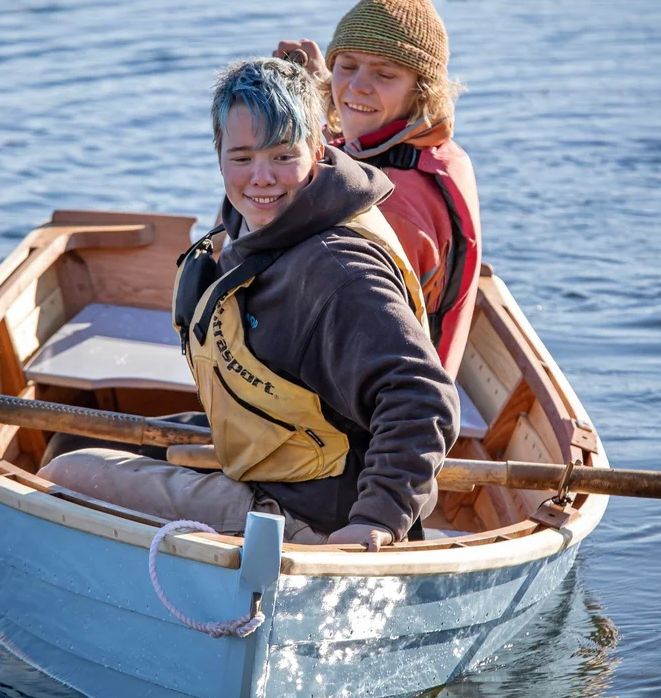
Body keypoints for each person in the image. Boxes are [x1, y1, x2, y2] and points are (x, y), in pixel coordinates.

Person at [40, 57, 459, 551]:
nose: (261, 178)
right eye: (241, 158)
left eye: (283, 156)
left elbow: (421, 396)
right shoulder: (260, 224)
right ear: (219, 157)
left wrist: (378, 518)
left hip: (313, 511)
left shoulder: (341, 274)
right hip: (281, 454)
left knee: (67, 473)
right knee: (72, 440)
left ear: (318, 150)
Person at [274, 0, 482, 379]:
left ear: (421, 91)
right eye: (347, 66)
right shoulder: (425, 151)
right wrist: (321, 94)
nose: (358, 86)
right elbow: (355, 148)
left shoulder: (394, 206)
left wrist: (277, 133)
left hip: (368, 420)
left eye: (385, 74)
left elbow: (347, 339)